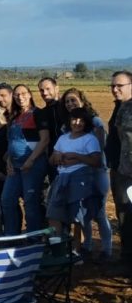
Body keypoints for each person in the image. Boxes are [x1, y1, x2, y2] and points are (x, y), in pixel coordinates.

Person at [61, 87, 112, 262]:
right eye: (67, 101)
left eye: (73, 100)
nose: (70, 104)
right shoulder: (67, 125)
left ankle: (107, 249)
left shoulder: (95, 122)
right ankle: (87, 246)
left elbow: (99, 148)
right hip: (79, 175)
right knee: (85, 212)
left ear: (82, 100)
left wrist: (76, 158)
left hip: (97, 172)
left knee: (99, 212)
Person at [46, 107, 102, 254]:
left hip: (80, 179)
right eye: (74, 119)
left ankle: (76, 252)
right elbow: (52, 160)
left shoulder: (90, 139)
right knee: (54, 215)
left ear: (86, 123)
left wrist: (76, 156)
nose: (77, 123)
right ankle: (57, 249)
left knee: (77, 219)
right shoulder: (63, 138)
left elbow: (96, 161)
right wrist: (57, 157)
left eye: (81, 120)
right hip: (62, 178)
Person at [1, 84, 51, 235]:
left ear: (30, 94)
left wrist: (31, 160)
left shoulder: (38, 114)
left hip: (33, 165)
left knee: (30, 202)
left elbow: (45, 140)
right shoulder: (14, 117)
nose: (20, 97)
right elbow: (11, 141)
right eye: (17, 94)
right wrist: (9, 160)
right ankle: (11, 235)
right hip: (15, 166)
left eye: (23, 93)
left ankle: (33, 237)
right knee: (7, 200)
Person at [108, 70, 132, 276]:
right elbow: (119, 139)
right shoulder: (122, 109)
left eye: (120, 86)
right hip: (124, 172)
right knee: (124, 216)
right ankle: (127, 259)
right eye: (112, 86)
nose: (115, 89)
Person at [37, 77, 66, 180]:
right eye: (41, 90)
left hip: (70, 158)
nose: (44, 93)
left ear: (57, 89)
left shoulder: (67, 108)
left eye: (48, 89)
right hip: (52, 159)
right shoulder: (41, 113)